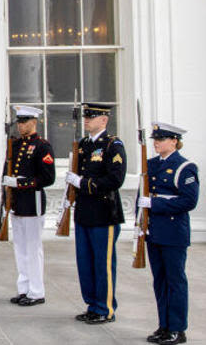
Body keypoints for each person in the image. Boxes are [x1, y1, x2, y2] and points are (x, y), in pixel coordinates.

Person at [67, 102, 126, 324]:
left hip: (104, 213)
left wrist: (83, 183)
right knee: (86, 262)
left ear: (104, 120)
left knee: (103, 263)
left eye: (91, 117)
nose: (86, 120)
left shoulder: (113, 145)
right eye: (86, 117)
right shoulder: (83, 145)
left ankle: (105, 308)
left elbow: (115, 179)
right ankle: (92, 304)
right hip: (84, 212)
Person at [138, 121, 197, 345]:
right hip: (154, 231)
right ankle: (164, 325)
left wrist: (155, 204)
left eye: (161, 139)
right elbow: (143, 194)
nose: (156, 143)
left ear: (174, 141)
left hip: (173, 232)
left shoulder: (185, 167)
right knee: (160, 281)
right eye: (155, 140)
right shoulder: (150, 164)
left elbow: (188, 201)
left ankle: (177, 328)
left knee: (175, 281)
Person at [2, 106, 55, 306]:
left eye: (24, 121)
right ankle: (24, 288)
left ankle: (36, 291)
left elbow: (48, 178)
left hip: (32, 202)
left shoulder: (42, 146)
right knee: (20, 249)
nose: (20, 125)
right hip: (16, 203)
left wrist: (21, 183)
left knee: (33, 249)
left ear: (34, 122)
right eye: (19, 122)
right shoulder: (14, 145)